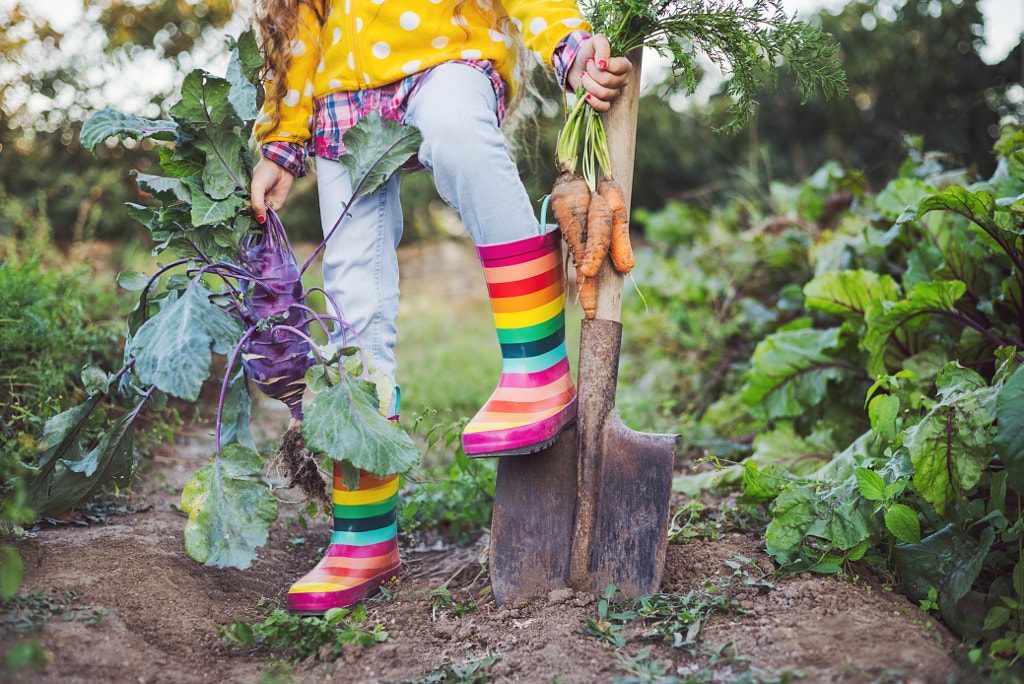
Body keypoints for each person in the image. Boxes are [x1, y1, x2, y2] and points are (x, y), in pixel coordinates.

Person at [249, 0, 632, 614]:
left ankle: (537, 370)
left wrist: (570, 46)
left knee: (458, 136)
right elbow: (300, 31)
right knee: (351, 302)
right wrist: (282, 145)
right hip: (342, 99)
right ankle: (362, 540)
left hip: (445, 58)